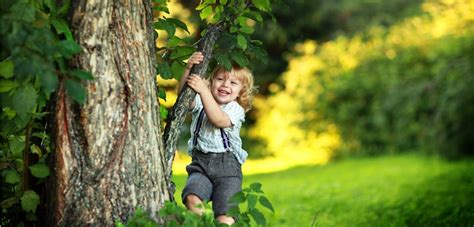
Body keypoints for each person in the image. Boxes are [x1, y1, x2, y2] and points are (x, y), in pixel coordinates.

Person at [178, 52, 256, 225]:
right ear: (211, 81)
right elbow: (184, 98)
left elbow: (218, 119)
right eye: (220, 79)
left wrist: (204, 90)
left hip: (227, 169)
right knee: (192, 197)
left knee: (225, 216)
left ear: (240, 91)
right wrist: (189, 69)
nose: (225, 85)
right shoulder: (201, 99)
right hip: (200, 164)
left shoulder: (235, 109)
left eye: (233, 83)